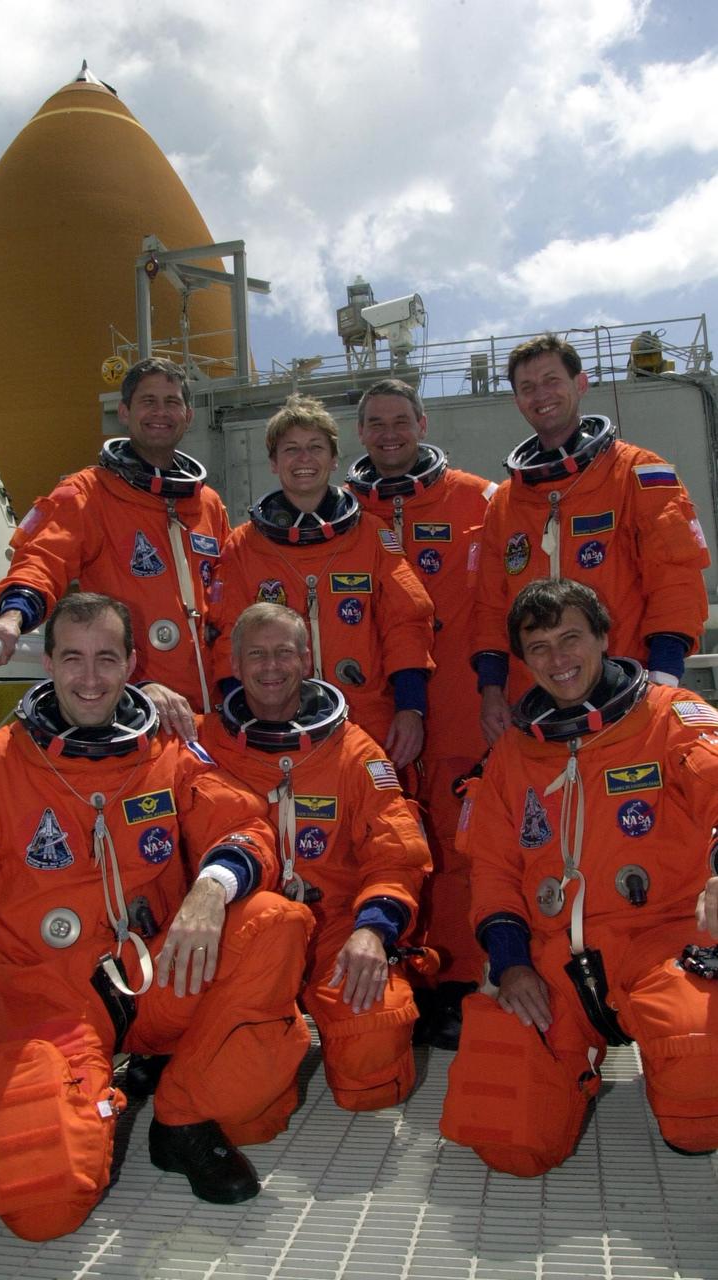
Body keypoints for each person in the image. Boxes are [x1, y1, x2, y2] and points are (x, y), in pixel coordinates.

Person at [0, 593, 313, 1240]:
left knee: (273, 922)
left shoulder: (165, 751)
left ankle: (180, 1119)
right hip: (52, 999)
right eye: (73, 659)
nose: (89, 678)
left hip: (157, 977)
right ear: (48, 663)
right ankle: (85, 1101)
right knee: (40, 1210)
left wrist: (208, 891)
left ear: (132, 663)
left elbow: (245, 827)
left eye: (106, 659)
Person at [441, 578, 718, 1177]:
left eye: (571, 638)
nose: (558, 659)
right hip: (552, 962)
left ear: (603, 637)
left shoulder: (671, 718)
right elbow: (491, 869)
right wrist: (511, 963)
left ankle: (673, 1078)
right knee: (510, 1142)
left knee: (699, 1106)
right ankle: (568, 1075)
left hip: (660, 944)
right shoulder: (514, 752)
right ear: (523, 660)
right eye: (539, 648)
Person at [199, 603, 435, 1111]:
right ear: (234, 666)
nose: (271, 667)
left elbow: (397, 854)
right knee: (242, 1108)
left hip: (337, 931)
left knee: (371, 1067)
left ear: (307, 659)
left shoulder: (354, 751)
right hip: (245, 936)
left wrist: (372, 931)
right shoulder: (202, 744)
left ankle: (333, 1028)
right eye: (256, 655)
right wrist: (150, 696)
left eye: (284, 653)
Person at [347, 378, 496, 1040]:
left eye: (399, 420)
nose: (388, 433)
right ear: (360, 434)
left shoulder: (476, 499)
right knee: (386, 848)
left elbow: (506, 596)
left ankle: (458, 979)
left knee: (460, 850)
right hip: (375, 717)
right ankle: (398, 972)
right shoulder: (339, 510)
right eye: (375, 423)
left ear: (422, 422)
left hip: (460, 709)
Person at [472, 334, 710, 746]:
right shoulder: (506, 503)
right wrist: (492, 689)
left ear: (580, 384)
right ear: (517, 400)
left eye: (551, 380)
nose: (540, 396)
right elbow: (491, 606)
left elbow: (675, 580)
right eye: (527, 388)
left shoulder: (637, 473)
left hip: (629, 695)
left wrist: (663, 679)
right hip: (536, 708)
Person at [0, 357, 230, 735]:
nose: (160, 412)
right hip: (135, 710)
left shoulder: (207, 504)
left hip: (215, 713)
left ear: (189, 415)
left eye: (171, 402)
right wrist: (12, 618)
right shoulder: (87, 494)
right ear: (125, 412)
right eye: (148, 401)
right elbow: (43, 560)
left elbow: (231, 596)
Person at [209, 394, 435, 772]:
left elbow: (406, 619)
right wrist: (242, 717)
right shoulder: (244, 545)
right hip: (272, 724)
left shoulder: (371, 536)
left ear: (333, 460)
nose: (303, 459)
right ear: (273, 462)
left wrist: (410, 706)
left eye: (315, 448)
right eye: (291, 449)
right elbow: (225, 635)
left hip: (367, 721)